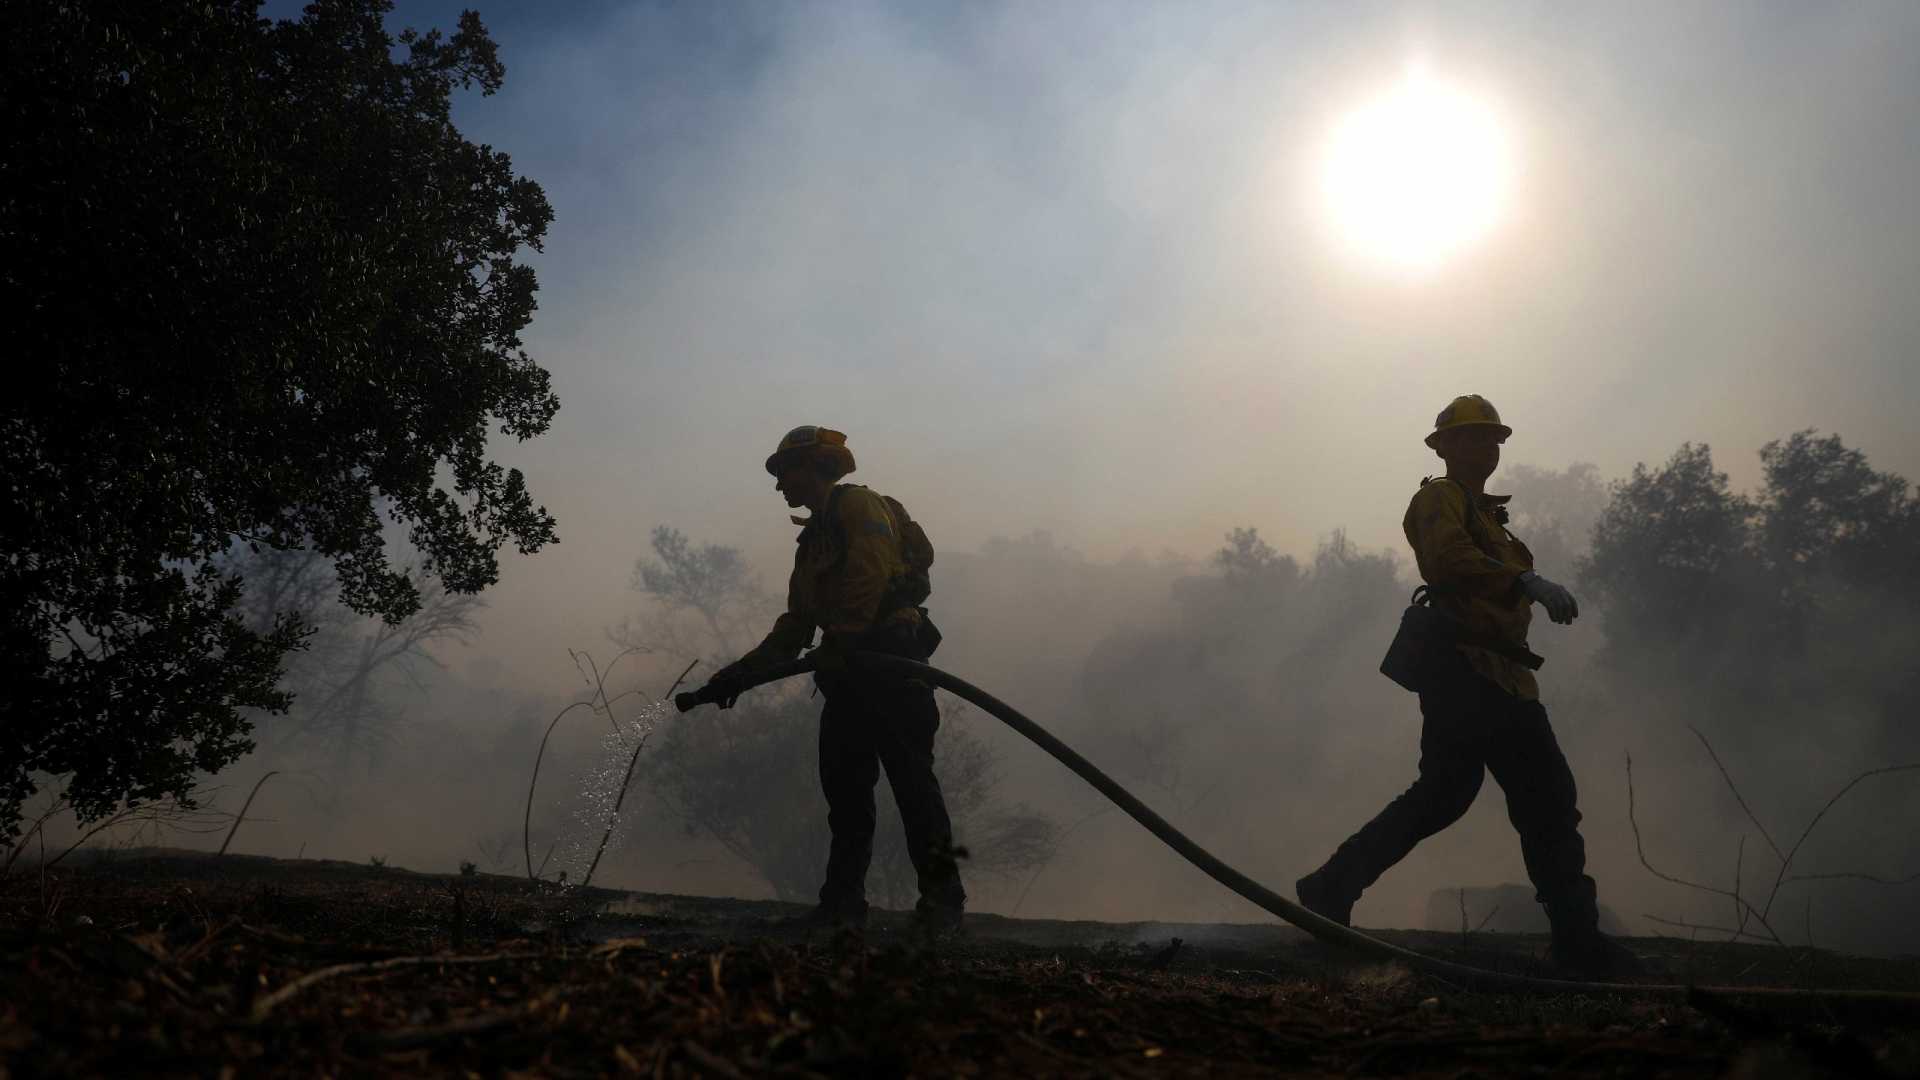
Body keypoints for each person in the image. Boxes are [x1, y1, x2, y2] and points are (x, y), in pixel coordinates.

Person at [1296, 395, 1638, 976]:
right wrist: (1524, 578)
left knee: (1455, 794)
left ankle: (1333, 884)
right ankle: (1578, 941)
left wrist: (1517, 576)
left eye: (1494, 439)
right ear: (1445, 447)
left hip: (1503, 674)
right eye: (1475, 438)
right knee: (1540, 798)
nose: (1488, 448)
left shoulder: (1489, 518)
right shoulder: (1438, 500)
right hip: (1464, 668)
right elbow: (1449, 561)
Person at [697, 425, 965, 934]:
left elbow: (868, 574)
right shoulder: (813, 541)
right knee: (845, 795)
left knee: (913, 787)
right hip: (847, 675)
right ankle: (842, 906)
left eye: (785, 473)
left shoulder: (859, 507)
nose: (779, 487)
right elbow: (797, 624)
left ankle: (943, 904)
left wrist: (843, 639)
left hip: (891, 663)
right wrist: (739, 674)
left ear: (817, 466)